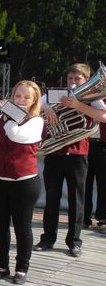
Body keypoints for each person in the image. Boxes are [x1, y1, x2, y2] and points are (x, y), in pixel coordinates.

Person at [0, 81, 44, 285]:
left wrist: (10, 115)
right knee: (0, 226)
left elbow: (16, 135)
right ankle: (2, 266)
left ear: (34, 101)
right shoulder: (4, 117)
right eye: (17, 96)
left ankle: (22, 268)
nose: (20, 100)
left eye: (26, 97)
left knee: (22, 227)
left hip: (24, 182)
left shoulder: (36, 121)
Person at [36, 63, 106, 257]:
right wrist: (47, 107)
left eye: (78, 78)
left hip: (78, 154)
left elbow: (104, 116)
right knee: (51, 198)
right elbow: (36, 103)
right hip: (54, 153)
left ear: (87, 80)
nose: (73, 82)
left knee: (77, 200)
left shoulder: (93, 98)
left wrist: (78, 106)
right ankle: (47, 238)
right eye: (70, 78)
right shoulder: (57, 94)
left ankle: (74, 242)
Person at [84, 120, 106, 231]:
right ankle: (83, 217)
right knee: (83, 183)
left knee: (104, 183)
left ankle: (103, 218)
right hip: (85, 142)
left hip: (103, 143)